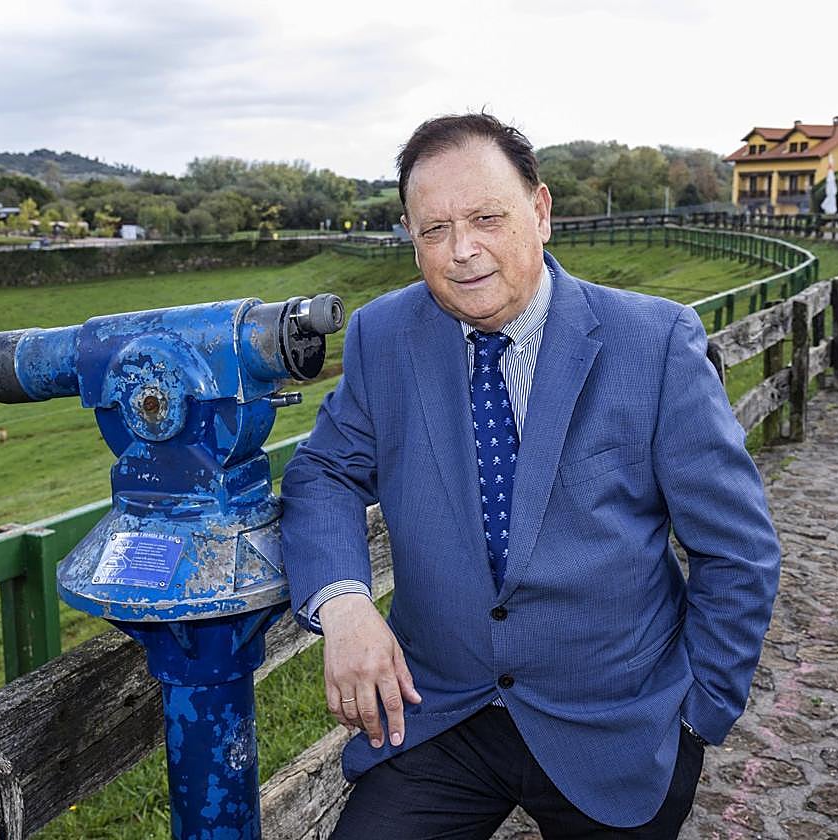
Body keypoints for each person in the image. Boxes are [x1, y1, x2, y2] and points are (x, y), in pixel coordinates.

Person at [280, 113, 781, 838]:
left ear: (540, 211)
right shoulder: (382, 335)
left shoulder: (656, 343)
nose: (463, 251)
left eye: (487, 217)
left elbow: (738, 550)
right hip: (442, 712)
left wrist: (697, 718)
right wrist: (344, 603)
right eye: (434, 230)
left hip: (617, 723)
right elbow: (324, 471)